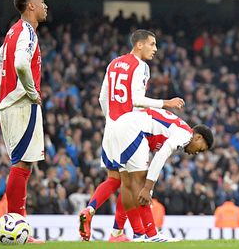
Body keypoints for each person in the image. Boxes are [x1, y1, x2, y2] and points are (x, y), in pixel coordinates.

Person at [78, 29, 185, 242]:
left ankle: (95, 213)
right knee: (136, 180)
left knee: (116, 179)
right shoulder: (141, 66)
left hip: (111, 127)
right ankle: (149, 234)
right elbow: (136, 98)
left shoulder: (113, 63)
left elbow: (102, 98)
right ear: (139, 45)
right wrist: (166, 103)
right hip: (129, 127)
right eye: (152, 44)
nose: (155, 49)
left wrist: (112, 119)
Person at [102, 107, 213, 242]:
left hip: (120, 125)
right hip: (134, 128)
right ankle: (151, 234)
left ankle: (132, 234)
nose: (196, 153)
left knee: (128, 183)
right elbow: (160, 156)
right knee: (140, 181)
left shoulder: (179, 128)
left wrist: (149, 188)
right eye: (200, 149)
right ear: (198, 137)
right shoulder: (186, 135)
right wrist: (148, 188)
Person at [0, 0, 48, 244]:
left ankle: (19, 226)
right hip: (22, 104)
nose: (46, 6)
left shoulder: (13, 30)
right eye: (42, 1)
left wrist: (8, 88)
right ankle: (17, 225)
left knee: (21, 163)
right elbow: (21, 64)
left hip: (12, 102)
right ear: (31, 6)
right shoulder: (26, 31)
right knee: (21, 164)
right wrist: (28, 90)